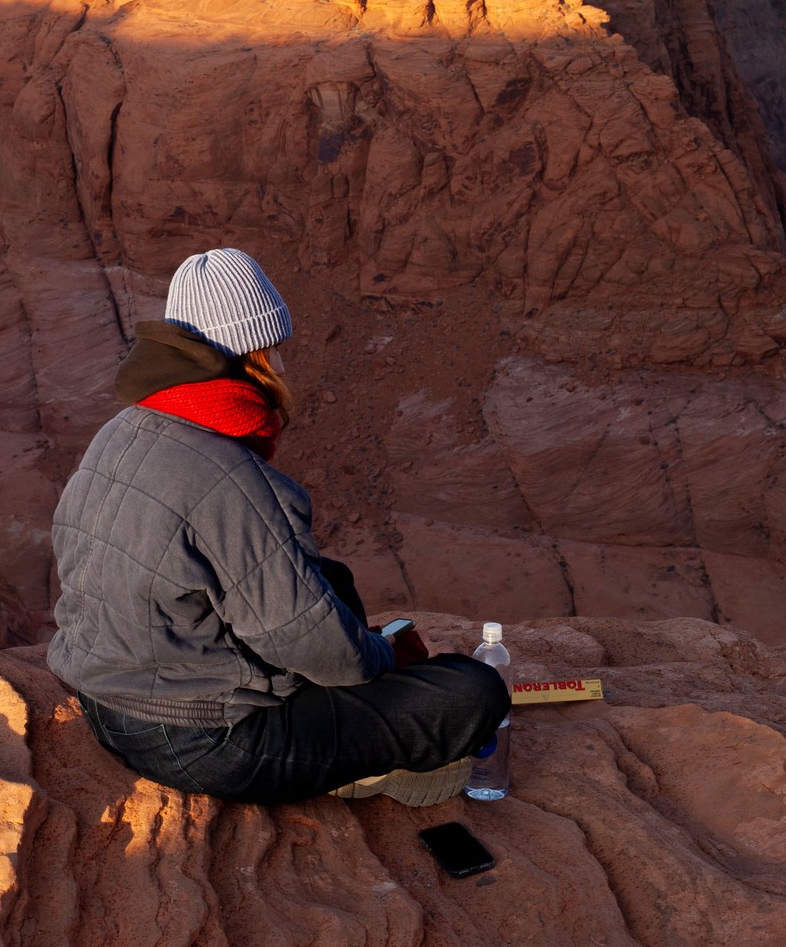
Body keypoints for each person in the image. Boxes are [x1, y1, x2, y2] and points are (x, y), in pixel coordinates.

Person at [48, 247, 511, 805]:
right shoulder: (230, 478)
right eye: (272, 352)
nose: (283, 370)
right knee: (472, 692)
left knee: (328, 580)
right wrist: (389, 657)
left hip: (107, 704)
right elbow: (324, 652)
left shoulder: (125, 428)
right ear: (247, 358)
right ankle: (365, 766)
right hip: (204, 740)